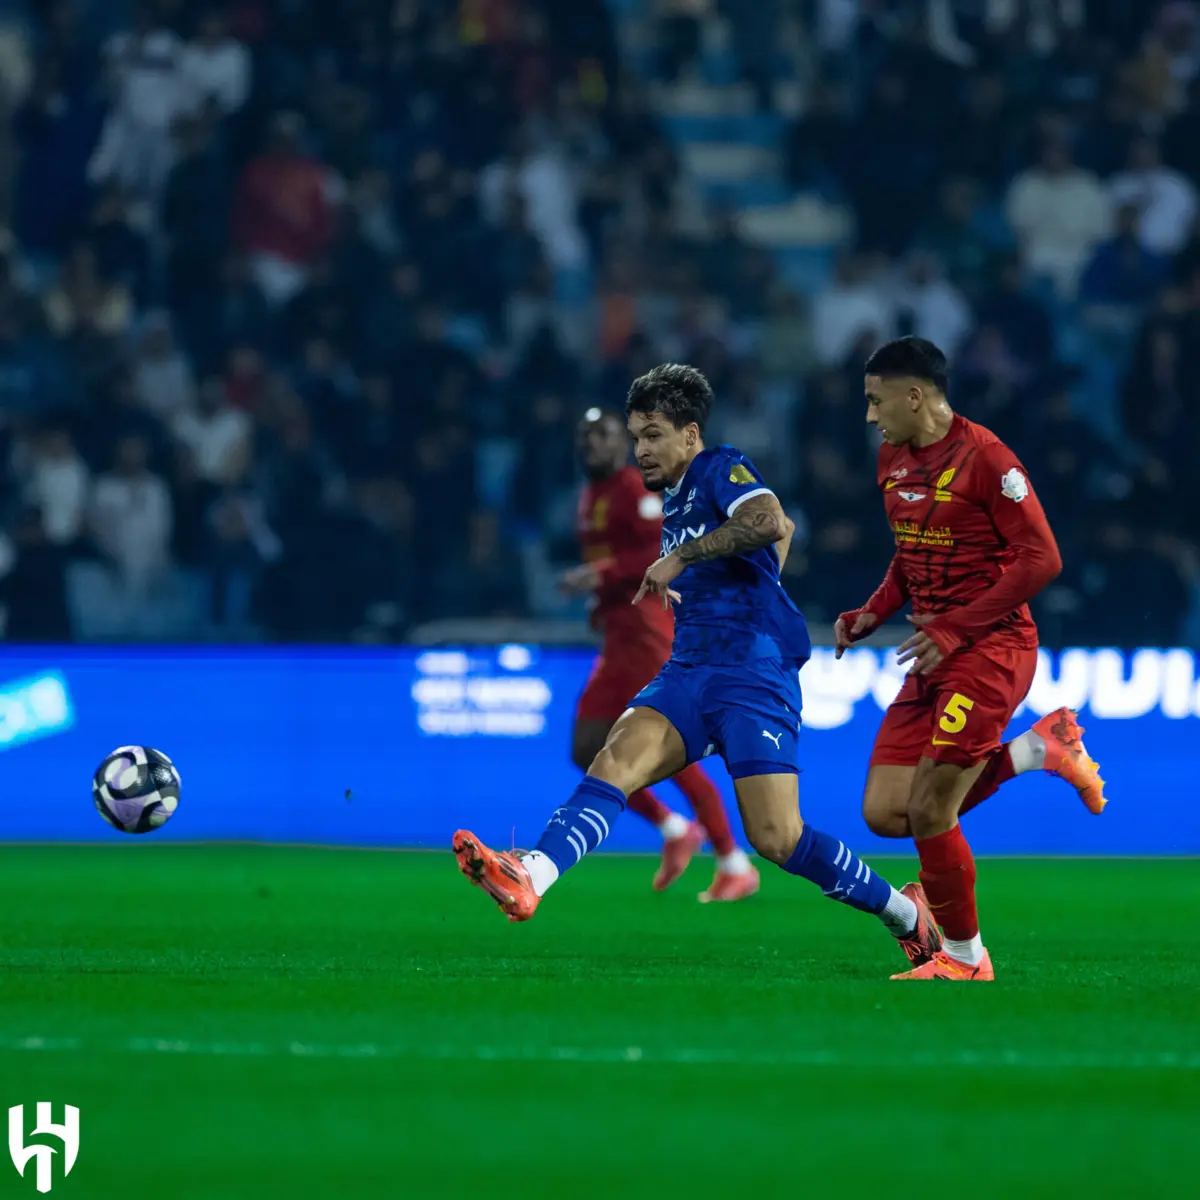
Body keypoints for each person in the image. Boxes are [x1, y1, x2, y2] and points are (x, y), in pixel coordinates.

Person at [453, 364, 942, 973]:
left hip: (753, 674)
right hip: (689, 669)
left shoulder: (719, 467)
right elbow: (772, 540)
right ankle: (530, 874)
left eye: (654, 434)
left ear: (690, 435)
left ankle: (905, 914)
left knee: (777, 838)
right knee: (614, 758)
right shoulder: (673, 500)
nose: (642, 449)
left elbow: (769, 521)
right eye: (636, 436)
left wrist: (684, 557)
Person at [836, 337, 1107, 983]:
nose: (871, 416)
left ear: (914, 395)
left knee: (931, 811)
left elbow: (1042, 558)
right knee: (886, 814)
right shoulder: (892, 458)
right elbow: (913, 544)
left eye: (877, 401)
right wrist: (875, 607)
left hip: (990, 649)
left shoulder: (988, 459)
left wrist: (957, 627)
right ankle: (1038, 751)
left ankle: (964, 957)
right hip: (933, 650)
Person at [559, 407, 758, 901]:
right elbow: (615, 566)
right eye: (585, 437)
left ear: (620, 443)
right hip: (617, 639)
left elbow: (657, 551)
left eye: (603, 436)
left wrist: (598, 577)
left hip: (648, 638)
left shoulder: (633, 490)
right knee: (586, 748)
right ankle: (674, 829)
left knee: (671, 750)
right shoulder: (590, 496)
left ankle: (734, 861)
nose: (593, 445)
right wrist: (600, 603)